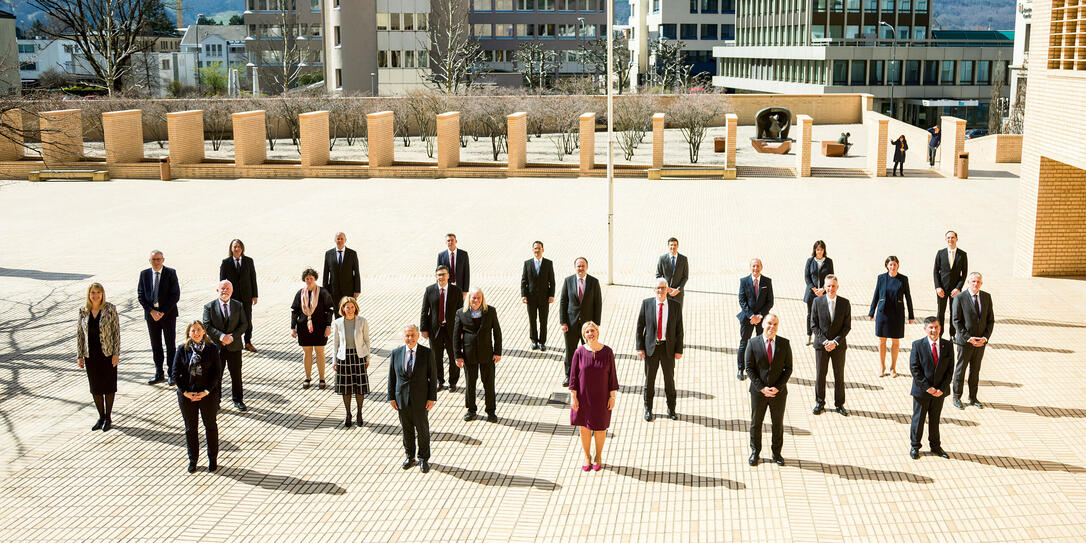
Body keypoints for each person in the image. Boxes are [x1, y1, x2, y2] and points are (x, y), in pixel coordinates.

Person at [173, 321, 222, 473]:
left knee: (210, 427)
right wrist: (185, 392)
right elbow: (175, 373)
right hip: (188, 395)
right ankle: (193, 460)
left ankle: (212, 459)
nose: (196, 333)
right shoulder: (182, 349)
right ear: (188, 333)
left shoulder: (212, 348)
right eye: (193, 330)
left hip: (207, 394)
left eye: (199, 330)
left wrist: (206, 391)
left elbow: (217, 373)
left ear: (204, 332)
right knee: (191, 429)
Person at [388, 324, 437, 474]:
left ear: (417, 336)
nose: (410, 339)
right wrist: (391, 397)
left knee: (422, 430)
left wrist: (431, 398)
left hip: (420, 400)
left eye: (412, 335)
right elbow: (392, 377)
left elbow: (433, 377)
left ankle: (423, 458)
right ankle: (410, 456)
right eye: (407, 336)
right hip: (402, 399)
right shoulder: (396, 353)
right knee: (407, 430)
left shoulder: (427, 353)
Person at [569, 321, 618, 471]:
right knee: (584, 428)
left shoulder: (608, 352)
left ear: (597, 332)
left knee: (600, 427)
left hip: (602, 397)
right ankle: (587, 456)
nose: (591, 333)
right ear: (584, 335)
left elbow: (612, 377)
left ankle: (598, 456)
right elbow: (573, 377)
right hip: (583, 398)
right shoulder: (579, 352)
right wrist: (573, 396)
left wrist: (612, 396)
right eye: (587, 331)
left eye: (593, 330)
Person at [745, 313, 792, 467]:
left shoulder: (784, 344)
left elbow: (788, 369)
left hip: (778, 393)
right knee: (756, 423)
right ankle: (755, 452)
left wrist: (777, 388)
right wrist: (762, 388)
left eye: (775, 324)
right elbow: (749, 368)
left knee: (777, 423)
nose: (772, 327)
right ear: (763, 324)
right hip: (759, 393)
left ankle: (777, 453)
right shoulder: (752, 343)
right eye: (770, 323)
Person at [636, 279, 684, 421]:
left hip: (667, 349)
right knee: (649, 381)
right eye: (658, 288)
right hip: (651, 349)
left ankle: (671, 409)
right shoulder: (647, 304)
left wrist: (679, 349)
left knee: (669, 380)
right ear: (654, 290)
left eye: (663, 288)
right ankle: (648, 409)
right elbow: (640, 327)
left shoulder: (675, 306)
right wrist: (640, 347)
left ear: (667, 289)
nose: (660, 291)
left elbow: (679, 330)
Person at [454, 288, 503, 423]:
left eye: (479, 298)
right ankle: (471, 410)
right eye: (473, 298)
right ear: (468, 299)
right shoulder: (461, 313)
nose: (476, 300)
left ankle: (491, 411)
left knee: (489, 384)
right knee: (470, 383)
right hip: (469, 355)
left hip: (487, 354)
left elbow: (497, 333)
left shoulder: (490, 311)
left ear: (482, 299)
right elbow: (456, 336)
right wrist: (457, 355)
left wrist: (498, 352)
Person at [76, 283, 120, 431]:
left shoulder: (110, 309)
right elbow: (80, 335)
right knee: (95, 388)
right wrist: (80, 355)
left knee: (108, 387)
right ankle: (100, 416)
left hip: (107, 354)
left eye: (98, 293)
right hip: (91, 355)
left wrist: (116, 353)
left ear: (103, 294)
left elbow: (116, 332)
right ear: (89, 294)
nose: (96, 295)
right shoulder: (83, 311)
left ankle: (108, 417)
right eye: (93, 293)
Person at [908, 317, 952, 460]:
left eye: (936, 327)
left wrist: (942, 389)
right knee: (918, 419)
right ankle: (915, 446)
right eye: (931, 327)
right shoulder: (917, 345)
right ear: (925, 329)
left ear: (940, 328)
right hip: (922, 391)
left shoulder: (948, 345)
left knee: (935, 419)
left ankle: (935, 446)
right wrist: (928, 388)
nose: (934, 330)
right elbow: (915, 369)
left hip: (939, 392)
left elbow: (950, 370)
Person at [202, 280, 248, 411]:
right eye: (222, 288)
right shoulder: (209, 307)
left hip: (234, 346)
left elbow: (244, 324)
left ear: (232, 291)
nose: (225, 291)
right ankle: (216, 401)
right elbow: (207, 325)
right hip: (217, 347)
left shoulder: (238, 305)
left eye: (227, 288)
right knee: (216, 375)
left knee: (236, 375)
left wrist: (231, 337)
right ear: (217, 291)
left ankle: (238, 400)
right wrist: (222, 337)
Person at [950, 272, 994, 410]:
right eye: (973, 281)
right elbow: (956, 321)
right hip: (965, 342)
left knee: (975, 371)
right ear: (968, 282)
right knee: (961, 370)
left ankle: (973, 397)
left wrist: (985, 338)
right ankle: (957, 397)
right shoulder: (960, 297)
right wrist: (968, 338)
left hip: (980, 343)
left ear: (981, 283)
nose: (976, 284)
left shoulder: (986, 297)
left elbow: (990, 320)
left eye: (978, 282)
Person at [810, 275, 851, 416]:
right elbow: (813, 325)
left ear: (837, 287)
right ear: (824, 287)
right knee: (820, 375)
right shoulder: (817, 302)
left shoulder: (845, 303)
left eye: (833, 286)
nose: (830, 289)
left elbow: (847, 327)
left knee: (839, 375)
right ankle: (819, 403)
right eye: (828, 286)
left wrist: (835, 342)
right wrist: (825, 341)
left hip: (838, 347)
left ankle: (839, 404)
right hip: (822, 346)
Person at [137, 250, 180, 385]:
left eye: (158, 259)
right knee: (156, 345)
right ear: (149, 261)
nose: (156, 262)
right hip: (151, 316)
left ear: (163, 260)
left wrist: (162, 312)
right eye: (153, 259)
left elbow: (175, 295)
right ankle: (158, 372)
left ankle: (172, 373)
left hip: (167, 315)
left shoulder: (170, 273)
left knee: (170, 344)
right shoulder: (144, 274)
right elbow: (140, 295)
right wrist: (151, 311)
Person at [868, 256, 915, 378]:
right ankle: (882, 367)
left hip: (897, 314)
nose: (892, 267)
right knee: (882, 341)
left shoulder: (903, 279)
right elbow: (876, 295)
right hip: (883, 313)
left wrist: (911, 315)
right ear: (887, 266)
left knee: (895, 341)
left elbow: (908, 297)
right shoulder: (881, 278)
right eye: (890, 265)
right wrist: (871, 311)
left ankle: (893, 367)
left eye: (894, 264)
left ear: (898, 265)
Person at [559, 257, 603, 387]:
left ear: (587, 267)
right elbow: (563, 302)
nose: (580, 268)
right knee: (570, 351)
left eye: (583, 266)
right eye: (578, 266)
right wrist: (563, 322)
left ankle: (591, 373)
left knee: (590, 350)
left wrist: (595, 325)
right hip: (571, 324)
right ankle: (569, 375)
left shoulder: (594, 282)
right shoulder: (568, 281)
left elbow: (598, 303)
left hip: (587, 326)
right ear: (575, 267)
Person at [421, 265, 464, 391]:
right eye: (439, 275)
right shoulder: (429, 290)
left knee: (453, 356)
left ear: (448, 276)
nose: (441, 277)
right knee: (436, 358)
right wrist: (424, 328)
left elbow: (461, 312)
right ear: (436, 276)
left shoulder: (456, 291)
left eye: (443, 274)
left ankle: (453, 382)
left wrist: (462, 331)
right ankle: (439, 381)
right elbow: (424, 310)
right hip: (435, 330)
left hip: (452, 330)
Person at [291, 268, 335, 390]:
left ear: (315, 278)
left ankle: (322, 378)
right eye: (307, 279)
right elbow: (295, 311)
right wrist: (292, 328)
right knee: (307, 352)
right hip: (304, 327)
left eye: (311, 278)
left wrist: (328, 326)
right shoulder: (300, 293)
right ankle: (308, 378)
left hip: (320, 327)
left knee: (320, 351)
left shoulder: (323, 292)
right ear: (304, 280)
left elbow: (329, 310)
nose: (309, 280)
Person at [332, 296, 370, 428]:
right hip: (343, 358)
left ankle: (359, 412)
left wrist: (368, 358)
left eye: (352, 307)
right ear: (343, 308)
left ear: (355, 308)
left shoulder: (362, 321)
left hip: (358, 356)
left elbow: (367, 340)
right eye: (347, 307)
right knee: (346, 389)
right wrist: (334, 360)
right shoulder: (337, 323)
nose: (350, 310)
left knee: (359, 387)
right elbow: (335, 343)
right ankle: (348, 414)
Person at [736, 258, 773, 381]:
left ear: (761, 267)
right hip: (748, 318)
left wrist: (760, 316)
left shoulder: (767, 281)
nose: (756, 269)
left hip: (761, 319)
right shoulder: (744, 281)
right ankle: (741, 368)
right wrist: (751, 316)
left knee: (761, 344)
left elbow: (770, 301)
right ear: (750, 267)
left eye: (758, 266)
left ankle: (759, 368)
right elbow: (742, 300)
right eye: (753, 266)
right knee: (744, 343)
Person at [219, 239, 259, 352]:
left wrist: (255, 295)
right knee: (233, 321)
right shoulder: (226, 263)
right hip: (232, 298)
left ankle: (247, 342)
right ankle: (235, 342)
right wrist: (223, 296)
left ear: (242, 248)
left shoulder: (249, 261)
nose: (237, 249)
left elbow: (253, 279)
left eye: (239, 247)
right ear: (231, 249)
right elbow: (222, 282)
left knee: (247, 320)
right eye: (235, 247)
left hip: (246, 296)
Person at [521, 241, 556, 350]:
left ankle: (542, 342)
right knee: (532, 320)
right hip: (531, 298)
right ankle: (534, 341)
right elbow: (524, 281)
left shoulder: (548, 263)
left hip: (544, 298)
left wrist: (551, 295)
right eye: (535, 248)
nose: (537, 250)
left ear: (543, 250)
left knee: (543, 320)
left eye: (539, 248)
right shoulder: (527, 263)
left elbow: (552, 281)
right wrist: (523, 295)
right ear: (532, 250)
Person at [933, 230, 968, 338]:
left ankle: (953, 335)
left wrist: (958, 288)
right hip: (942, 289)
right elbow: (935, 272)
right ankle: (940, 334)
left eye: (952, 237)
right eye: (948, 238)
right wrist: (938, 287)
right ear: (946, 239)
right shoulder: (940, 253)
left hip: (955, 290)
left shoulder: (962, 255)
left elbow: (964, 273)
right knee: (940, 313)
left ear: (957, 239)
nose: (950, 240)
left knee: (955, 313)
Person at [803, 241, 834, 346]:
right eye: (817, 249)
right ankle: (809, 334)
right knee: (810, 314)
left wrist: (823, 289)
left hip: (824, 293)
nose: (819, 251)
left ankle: (821, 336)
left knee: (823, 315)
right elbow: (807, 277)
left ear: (824, 250)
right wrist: (814, 288)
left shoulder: (829, 261)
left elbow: (831, 277)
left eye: (821, 249)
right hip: (812, 293)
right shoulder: (810, 261)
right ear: (814, 250)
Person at [323, 232, 360, 310]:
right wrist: (325, 291)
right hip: (334, 291)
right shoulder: (328, 254)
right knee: (336, 313)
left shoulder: (352, 254)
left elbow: (356, 273)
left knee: (349, 312)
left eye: (342, 238)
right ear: (335, 240)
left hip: (349, 290)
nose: (340, 240)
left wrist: (357, 289)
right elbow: (326, 274)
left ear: (345, 240)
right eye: (338, 239)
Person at [655, 237, 689, 305]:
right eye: (671, 245)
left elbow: (685, 277)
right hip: (665, 293)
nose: (673, 247)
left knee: (677, 314)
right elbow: (658, 275)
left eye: (675, 245)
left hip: (678, 294)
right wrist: (666, 288)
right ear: (668, 246)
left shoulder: (683, 259)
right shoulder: (662, 259)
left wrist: (678, 289)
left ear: (677, 246)